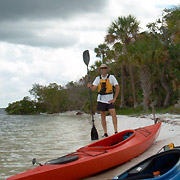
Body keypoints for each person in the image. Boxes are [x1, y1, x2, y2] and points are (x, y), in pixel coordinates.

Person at [87, 64, 120, 138]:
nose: (103, 69)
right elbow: (93, 89)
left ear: (106, 69)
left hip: (109, 100)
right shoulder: (98, 78)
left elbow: (117, 87)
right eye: (102, 68)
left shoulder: (111, 77)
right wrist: (90, 86)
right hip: (101, 100)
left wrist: (114, 98)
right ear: (100, 70)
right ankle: (105, 133)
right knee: (102, 116)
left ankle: (116, 131)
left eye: (105, 68)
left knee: (113, 114)